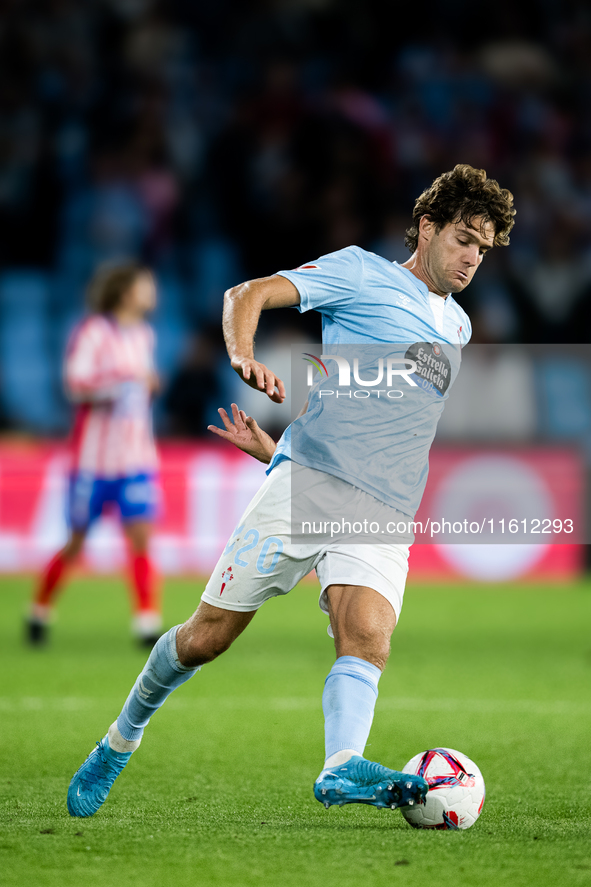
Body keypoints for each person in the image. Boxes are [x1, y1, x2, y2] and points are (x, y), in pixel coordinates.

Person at [66, 164, 515, 817]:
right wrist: (243, 355)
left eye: (483, 247)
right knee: (206, 637)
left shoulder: (458, 328)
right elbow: (244, 294)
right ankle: (118, 738)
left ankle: (339, 766)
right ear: (427, 226)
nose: (473, 256)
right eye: (463, 238)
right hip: (308, 485)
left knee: (366, 636)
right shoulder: (361, 272)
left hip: (384, 507)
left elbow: (384, 421)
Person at [27, 262, 163, 647]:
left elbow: (140, 392)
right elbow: (75, 385)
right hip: (93, 462)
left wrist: (147, 384)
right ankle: (39, 610)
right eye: (145, 285)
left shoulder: (144, 335)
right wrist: (124, 382)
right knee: (76, 541)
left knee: (140, 537)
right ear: (125, 292)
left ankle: (146, 622)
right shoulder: (92, 333)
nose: (153, 292)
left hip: (136, 459)